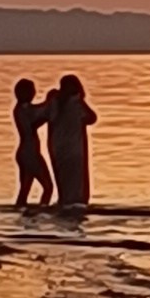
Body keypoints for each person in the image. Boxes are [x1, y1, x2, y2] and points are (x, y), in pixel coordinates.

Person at [45, 73, 97, 210]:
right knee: (76, 183)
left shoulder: (54, 102)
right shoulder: (75, 103)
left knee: (63, 182)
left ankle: (65, 204)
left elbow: (43, 116)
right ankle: (74, 205)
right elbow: (92, 118)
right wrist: (81, 100)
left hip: (59, 148)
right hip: (74, 149)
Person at [11, 78, 53, 210]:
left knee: (24, 189)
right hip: (30, 154)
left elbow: (38, 117)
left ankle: (21, 212)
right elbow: (38, 115)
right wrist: (50, 102)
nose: (34, 93)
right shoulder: (23, 109)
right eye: (31, 90)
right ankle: (43, 211)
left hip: (25, 153)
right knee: (48, 187)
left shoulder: (21, 109)